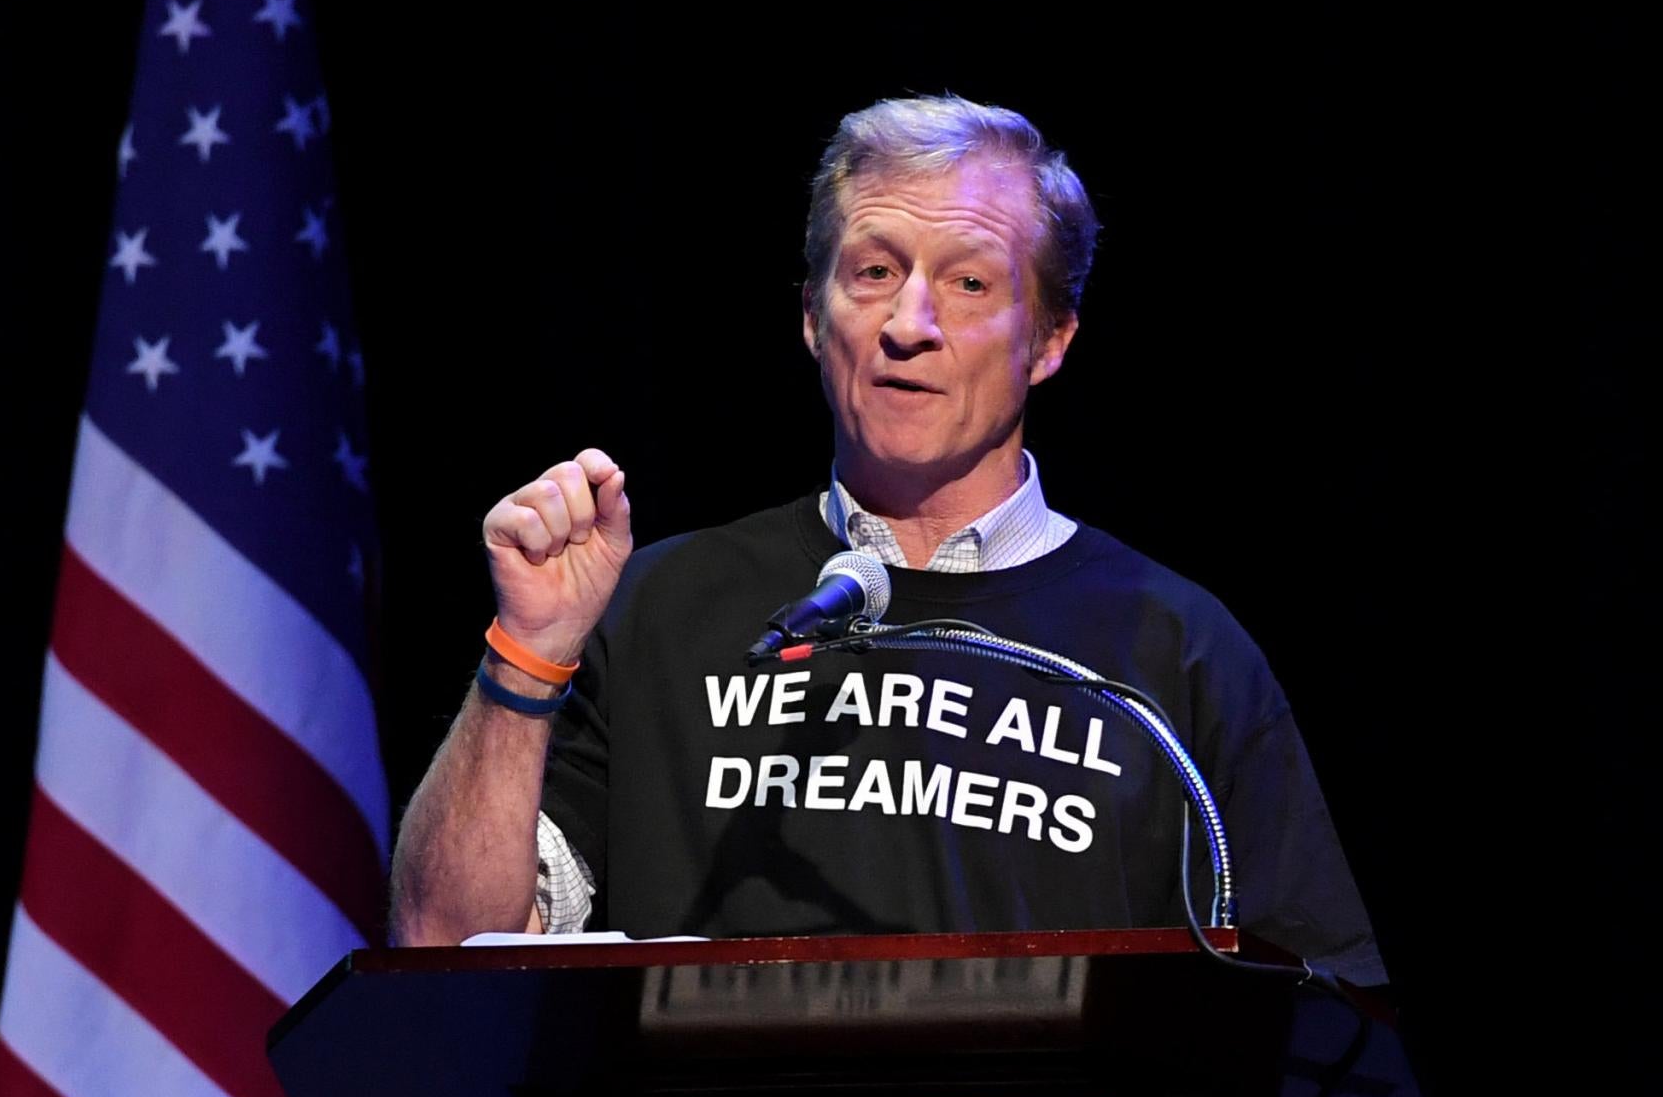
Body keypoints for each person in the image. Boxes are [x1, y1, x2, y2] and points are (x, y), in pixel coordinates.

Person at [388, 96, 1384, 985]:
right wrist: (527, 653)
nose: (910, 322)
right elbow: (446, 947)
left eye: (967, 284)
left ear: (1048, 342)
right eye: (872, 271)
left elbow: (1315, 1028)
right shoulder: (654, 612)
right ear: (816, 322)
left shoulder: (1175, 649)